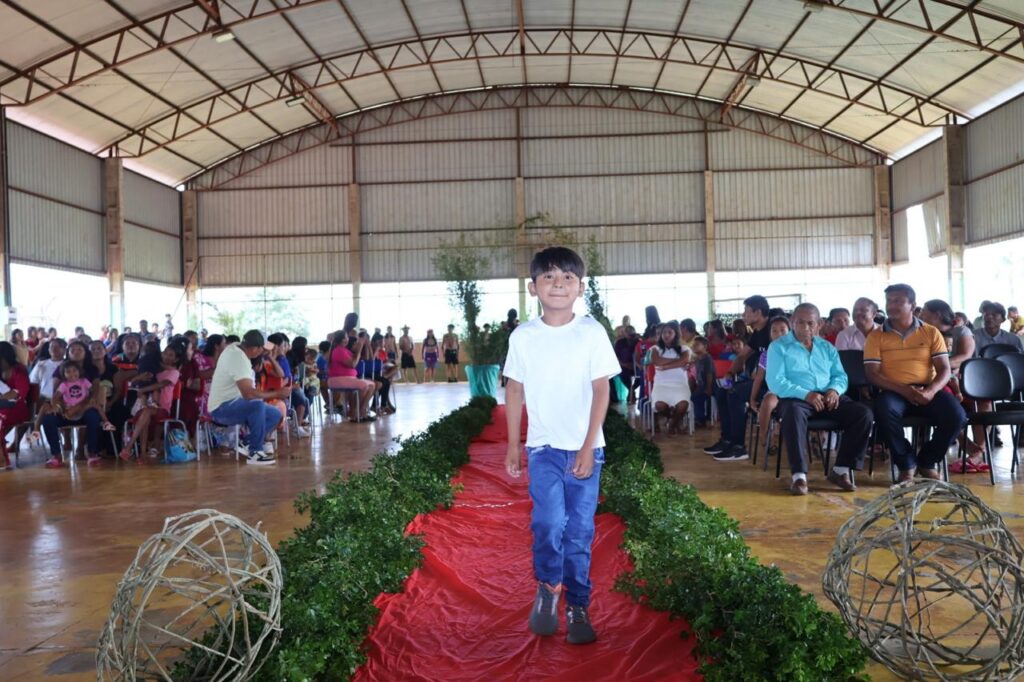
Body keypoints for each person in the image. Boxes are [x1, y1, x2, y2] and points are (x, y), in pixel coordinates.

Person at [503, 246, 621, 645]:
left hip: (587, 449)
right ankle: (549, 587)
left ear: (580, 287)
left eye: (567, 277)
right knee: (549, 522)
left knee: (580, 530)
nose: (558, 284)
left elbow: (602, 390)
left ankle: (578, 604)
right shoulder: (524, 336)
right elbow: (515, 390)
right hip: (543, 450)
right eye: (549, 277)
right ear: (533, 287)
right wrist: (514, 446)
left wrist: (588, 447)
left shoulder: (591, 332)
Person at [865, 284, 967, 482]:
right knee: (883, 410)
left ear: (913, 305)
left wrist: (931, 391)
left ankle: (927, 462)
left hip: (927, 389)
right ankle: (906, 464)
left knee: (957, 416)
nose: (891, 306)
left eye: (898, 301)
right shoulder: (876, 336)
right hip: (893, 390)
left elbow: (945, 369)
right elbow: (873, 374)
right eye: (889, 301)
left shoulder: (930, 332)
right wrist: (904, 390)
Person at [766, 304, 872, 494]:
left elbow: (840, 376)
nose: (805, 328)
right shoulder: (778, 347)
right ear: (792, 322)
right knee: (792, 413)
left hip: (827, 396)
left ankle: (840, 470)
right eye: (800, 322)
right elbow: (776, 381)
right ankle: (799, 476)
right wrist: (806, 394)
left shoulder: (827, 347)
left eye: (810, 323)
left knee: (863, 414)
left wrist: (834, 390)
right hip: (796, 398)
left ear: (819, 325)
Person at [705, 295, 772, 461]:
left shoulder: (774, 329)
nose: (743, 315)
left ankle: (739, 446)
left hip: (773, 385)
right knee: (721, 390)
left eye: (746, 311)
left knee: (735, 393)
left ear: (757, 312)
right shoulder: (757, 333)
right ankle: (727, 439)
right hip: (759, 380)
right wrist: (729, 373)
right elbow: (742, 356)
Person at [207, 331, 289, 464]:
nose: (263, 352)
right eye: (262, 349)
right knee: (257, 405)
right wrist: (277, 394)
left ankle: (247, 443)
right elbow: (248, 394)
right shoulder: (239, 359)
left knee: (275, 414)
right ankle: (255, 453)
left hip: (235, 403)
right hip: (221, 409)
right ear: (254, 348)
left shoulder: (237, 346)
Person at [119, 343, 184, 461]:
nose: (167, 357)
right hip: (147, 405)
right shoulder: (154, 368)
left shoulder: (174, 372)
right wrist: (139, 378)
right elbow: (133, 383)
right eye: (165, 353)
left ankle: (129, 446)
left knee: (146, 411)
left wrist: (143, 389)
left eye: (171, 355)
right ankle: (142, 453)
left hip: (162, 408)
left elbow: (161, 384)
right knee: (146, 413)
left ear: (176, 359)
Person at [40, 360, 107, 468]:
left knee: (93, 416)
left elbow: (93, 392)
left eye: (74, 371)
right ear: (64, 374)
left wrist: (89, 401)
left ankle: (92, 454)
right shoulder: (63, 385)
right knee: (48, 419)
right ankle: (56, 456)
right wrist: (57, 407)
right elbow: (55, 397)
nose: (72, 374)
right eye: (68, 372)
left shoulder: (84, 381)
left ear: (79, 371)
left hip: (83, 411)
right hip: (67, 413)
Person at [746, 316, 791, 459]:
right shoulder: (766, 354)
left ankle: (816, 438)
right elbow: (759, 377)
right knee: (768, 401)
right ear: (770, 334)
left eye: (783, 330)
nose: (778, 334)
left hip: (797, 390)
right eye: (774, 331)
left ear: (790, 332)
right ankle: (765, 437)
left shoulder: (798, 350)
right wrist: (752, 398)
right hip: (776, 391)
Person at [649, 321, 691, 435]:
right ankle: (673, 418)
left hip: (680, 384)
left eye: (669, 332)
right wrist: (679, 362)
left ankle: (673, 423)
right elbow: (656, 361)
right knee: (659, 405)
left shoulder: (684, 348)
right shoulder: (655, 348)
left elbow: (685, 359)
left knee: (683, 405)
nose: (666, 335)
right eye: (664, 333)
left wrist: (666, 366)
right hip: (661, 385)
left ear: (676, 334)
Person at [327, 329, 376, 422]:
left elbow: (362, 358)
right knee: (364, 385)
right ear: (342, 340)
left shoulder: (344, 350)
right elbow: (352, 364)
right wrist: (359, 349)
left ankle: (361, 411)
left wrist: (360, 346)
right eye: (346, 337)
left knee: (372, 385)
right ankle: (355, 412)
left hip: (347, 378)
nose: (348, 339)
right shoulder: (338, 350)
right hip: (338, 379)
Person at [0, 342, 30, 468]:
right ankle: (3, 458)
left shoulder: (19, 370)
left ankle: (2, 459)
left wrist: (2, 397)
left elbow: (18, 393)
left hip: (17, 408)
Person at [690, 336, 715, 427]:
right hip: (700, 385)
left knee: (696, 397)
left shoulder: (707, 358)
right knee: (692, 395)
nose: (694, 346)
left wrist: (708, 387)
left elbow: (709, 374)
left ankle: (700, 419)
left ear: (704, 346)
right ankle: (697, 417)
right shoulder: (697, 359)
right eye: (693, 345)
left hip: (709, 384)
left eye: (697, 345)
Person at [612, 326, 638, 404]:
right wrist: (624, 364)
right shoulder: (619, 343)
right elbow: (615, 356)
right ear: (625, 334)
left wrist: (635, 365)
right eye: (628, 334)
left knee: (642, 374)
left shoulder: (638, 342)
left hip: (636, 366)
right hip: (623, 366)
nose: (630, 336)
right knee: (622, 373)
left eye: (632, 334)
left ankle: (632, 390)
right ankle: (631, 391)